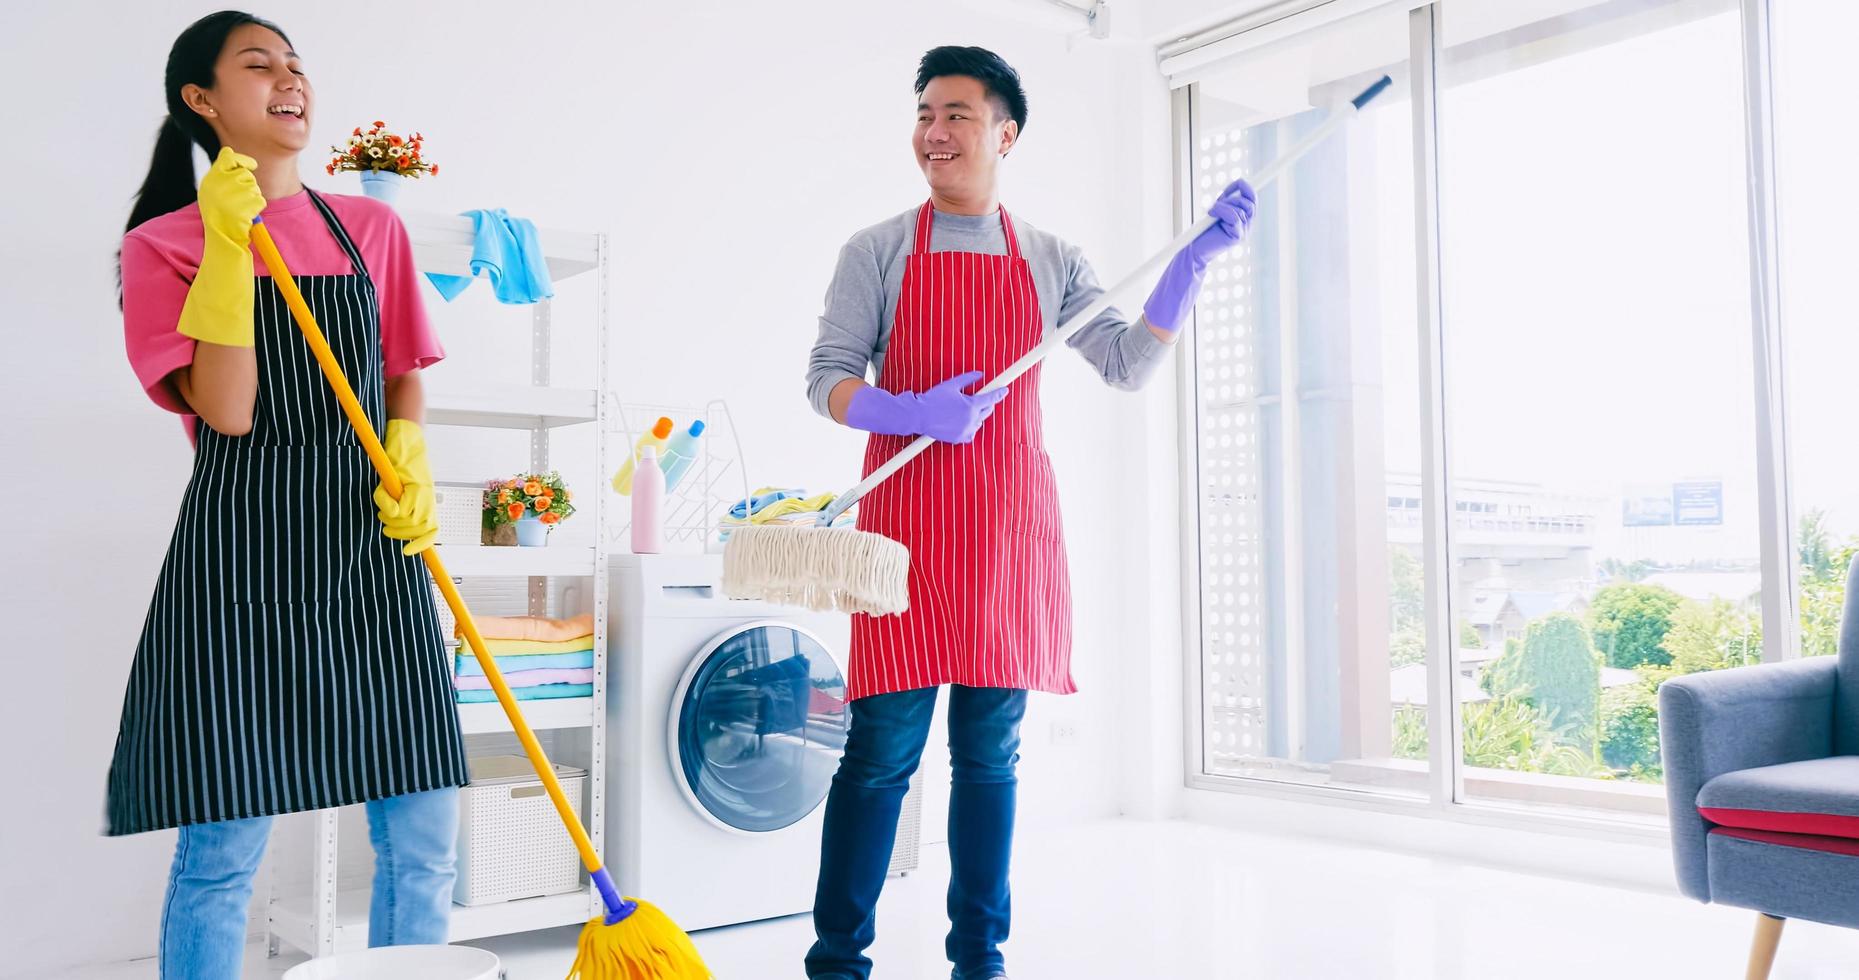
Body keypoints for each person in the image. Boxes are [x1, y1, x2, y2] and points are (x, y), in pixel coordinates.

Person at [802, 44, 1256, 980]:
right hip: (900, 536)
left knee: (988, 757)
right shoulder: (877, 249)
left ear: (1004, 134)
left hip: (1006, 537)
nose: (935, 132)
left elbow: (1127, 363)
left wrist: (1195, 263)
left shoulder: (1051, 260)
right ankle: (837, 963)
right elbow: (828, 381)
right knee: (880, 752)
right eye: (925, 113)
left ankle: (980, 961)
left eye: (957, 115)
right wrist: (911, 409)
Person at [106, 11, 462, 976]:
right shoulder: (163, 247)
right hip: (242, 562)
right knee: (224, 856)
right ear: (202, 101)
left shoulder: (371, 227)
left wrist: (411, 453)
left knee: (424, 835)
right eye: (259, 66)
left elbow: (400, 370)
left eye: (298, 66)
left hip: (370, 549)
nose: (290, 81)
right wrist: (231, 244)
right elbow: (226, 410)